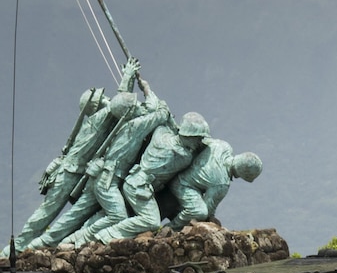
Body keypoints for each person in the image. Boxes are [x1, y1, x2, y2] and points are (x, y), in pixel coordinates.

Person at [3, 57, 140, 258]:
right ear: (96, 105)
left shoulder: (97, 121)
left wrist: (128, 81)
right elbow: (119, 104)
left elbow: (120, 105)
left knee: (68, 216)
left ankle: (41, 244)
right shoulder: (98, 120)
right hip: (68, 173)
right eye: (102, 99)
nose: (106, 99)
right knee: (46, 213)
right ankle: (17, 248)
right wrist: (127, 76)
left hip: (75, 173)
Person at [29, 77, 170, 250]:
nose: (138, 106)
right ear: (129, 112)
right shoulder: (134, 125)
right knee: (117, 215)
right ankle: (79, 238)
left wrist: (128, 78)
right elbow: (161, 112)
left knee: (76, 215)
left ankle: (46, 242)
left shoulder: (121, 123)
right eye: (135, 106)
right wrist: (147, 89)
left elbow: (121, 103)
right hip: (107, 181)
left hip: (99, 177)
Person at [77, 111, 209, 245]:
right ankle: (106, 235)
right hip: (140, 187)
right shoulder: (183, 156)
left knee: (107, 215)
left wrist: (168, 118)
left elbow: (165, 125)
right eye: (197, 137)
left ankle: (78, 237)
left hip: (133, 181)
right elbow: (193, 154)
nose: (200, 142)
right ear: (187, 135)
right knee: (151, 221)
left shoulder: (161, 134)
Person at [162, 139, 263, 230]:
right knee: (200, 212)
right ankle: (171, 228)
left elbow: (200, 141)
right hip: (182, 186)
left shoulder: (223, 146)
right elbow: (209, 207)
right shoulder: (222, 183)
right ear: (243, 173)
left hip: (178, 172)